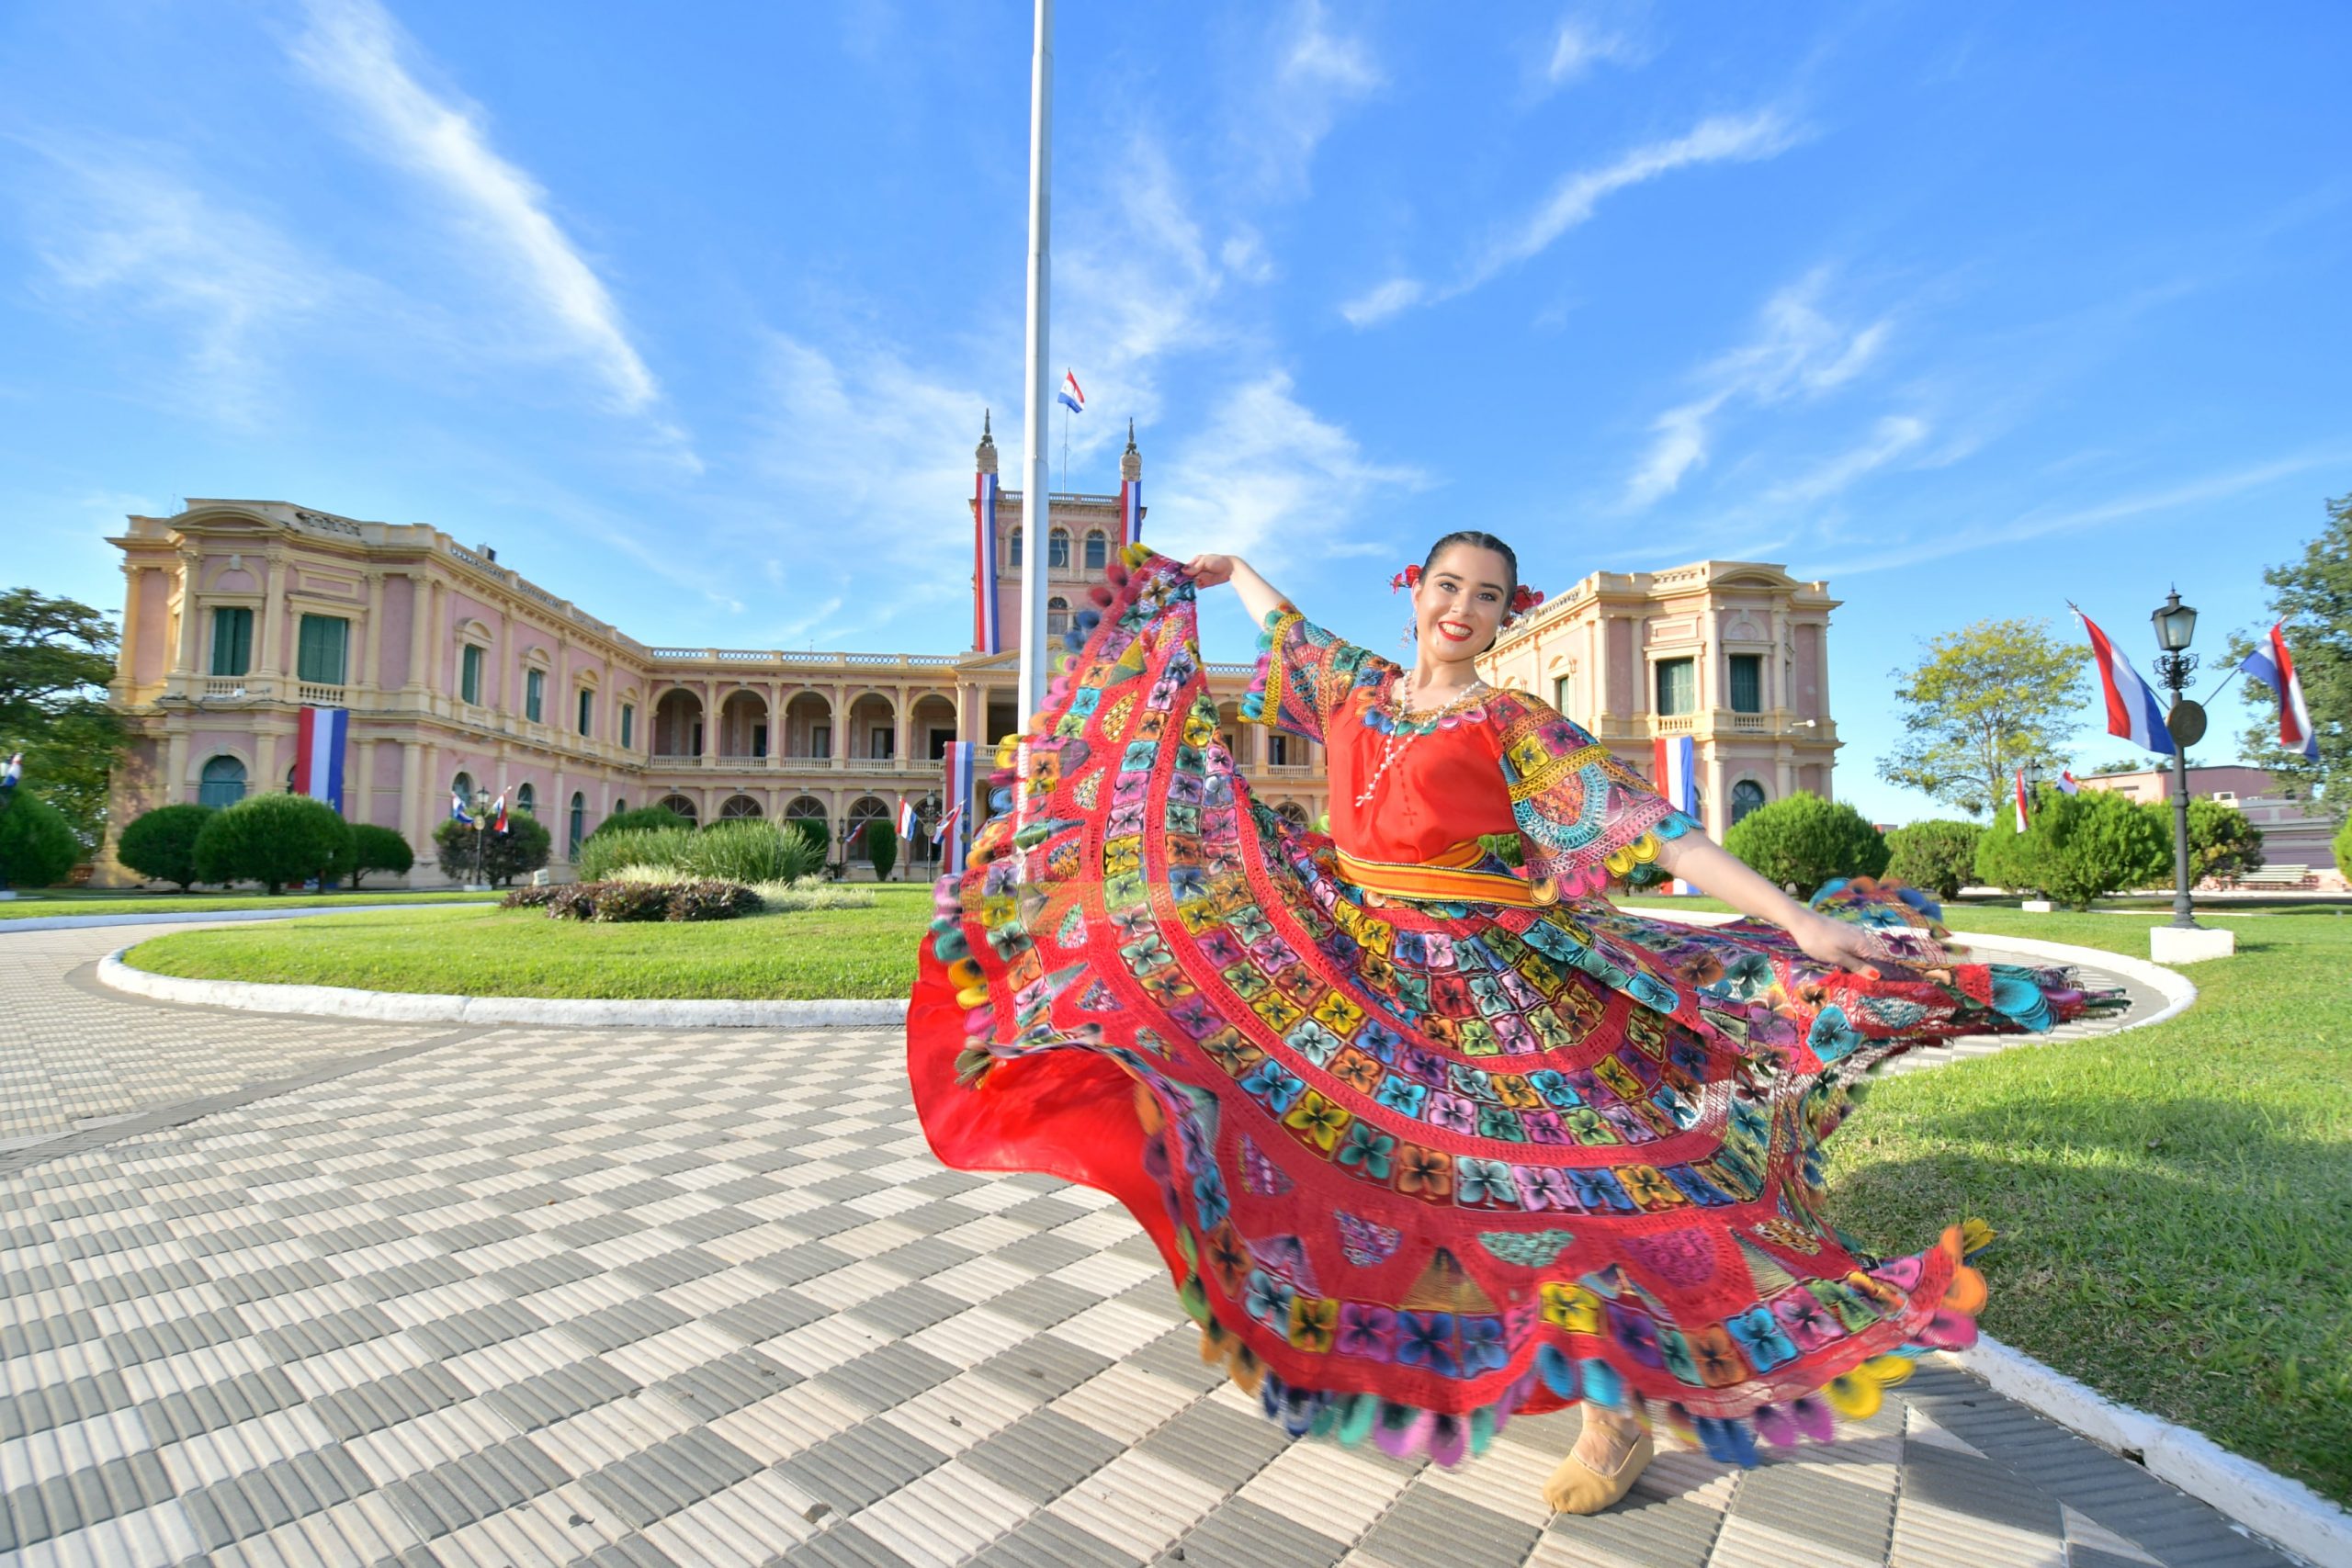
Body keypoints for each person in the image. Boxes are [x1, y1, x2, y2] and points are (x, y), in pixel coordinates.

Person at [907, 534, 2109, 1515]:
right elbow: (1287, 633)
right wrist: (1232, 572)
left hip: (1496, 984)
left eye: (1486, 597)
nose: (1462, 611)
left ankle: (1615, 1416)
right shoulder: (1358, 693)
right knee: (1352, 1161)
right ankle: (1417, 1337)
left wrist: (1793, 920)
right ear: (1415, 593)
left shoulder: (1517, 724)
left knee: (1570, 1189)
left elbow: (1659, 831)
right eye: (1447, 589)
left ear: (1503, 612)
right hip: (1364, 974)